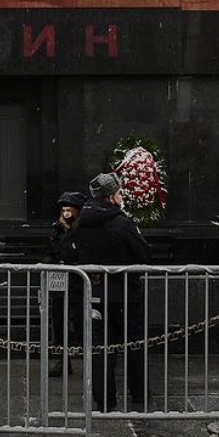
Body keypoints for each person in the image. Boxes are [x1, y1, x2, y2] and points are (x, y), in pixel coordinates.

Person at [72, 172, 151, 411]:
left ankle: (105, 400)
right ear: (111, 197)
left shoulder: (81, 222)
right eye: (119, 193)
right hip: (126, 294)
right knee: (134, 345)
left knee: (101, 349)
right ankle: (139, 396)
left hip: (95, 294)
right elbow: (144, 255)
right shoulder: (121, 222)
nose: (122, 196)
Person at [45, 191, 87, 377]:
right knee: (60, 324)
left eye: (69, 210)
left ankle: (89, 361)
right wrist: (49, 263)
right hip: (60, 284)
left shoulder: (82, 231)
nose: (66, 213)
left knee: (82, 324)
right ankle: (63, 361)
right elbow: (50, 252)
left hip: (78, 283)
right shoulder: (56, 230)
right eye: (64, 210)